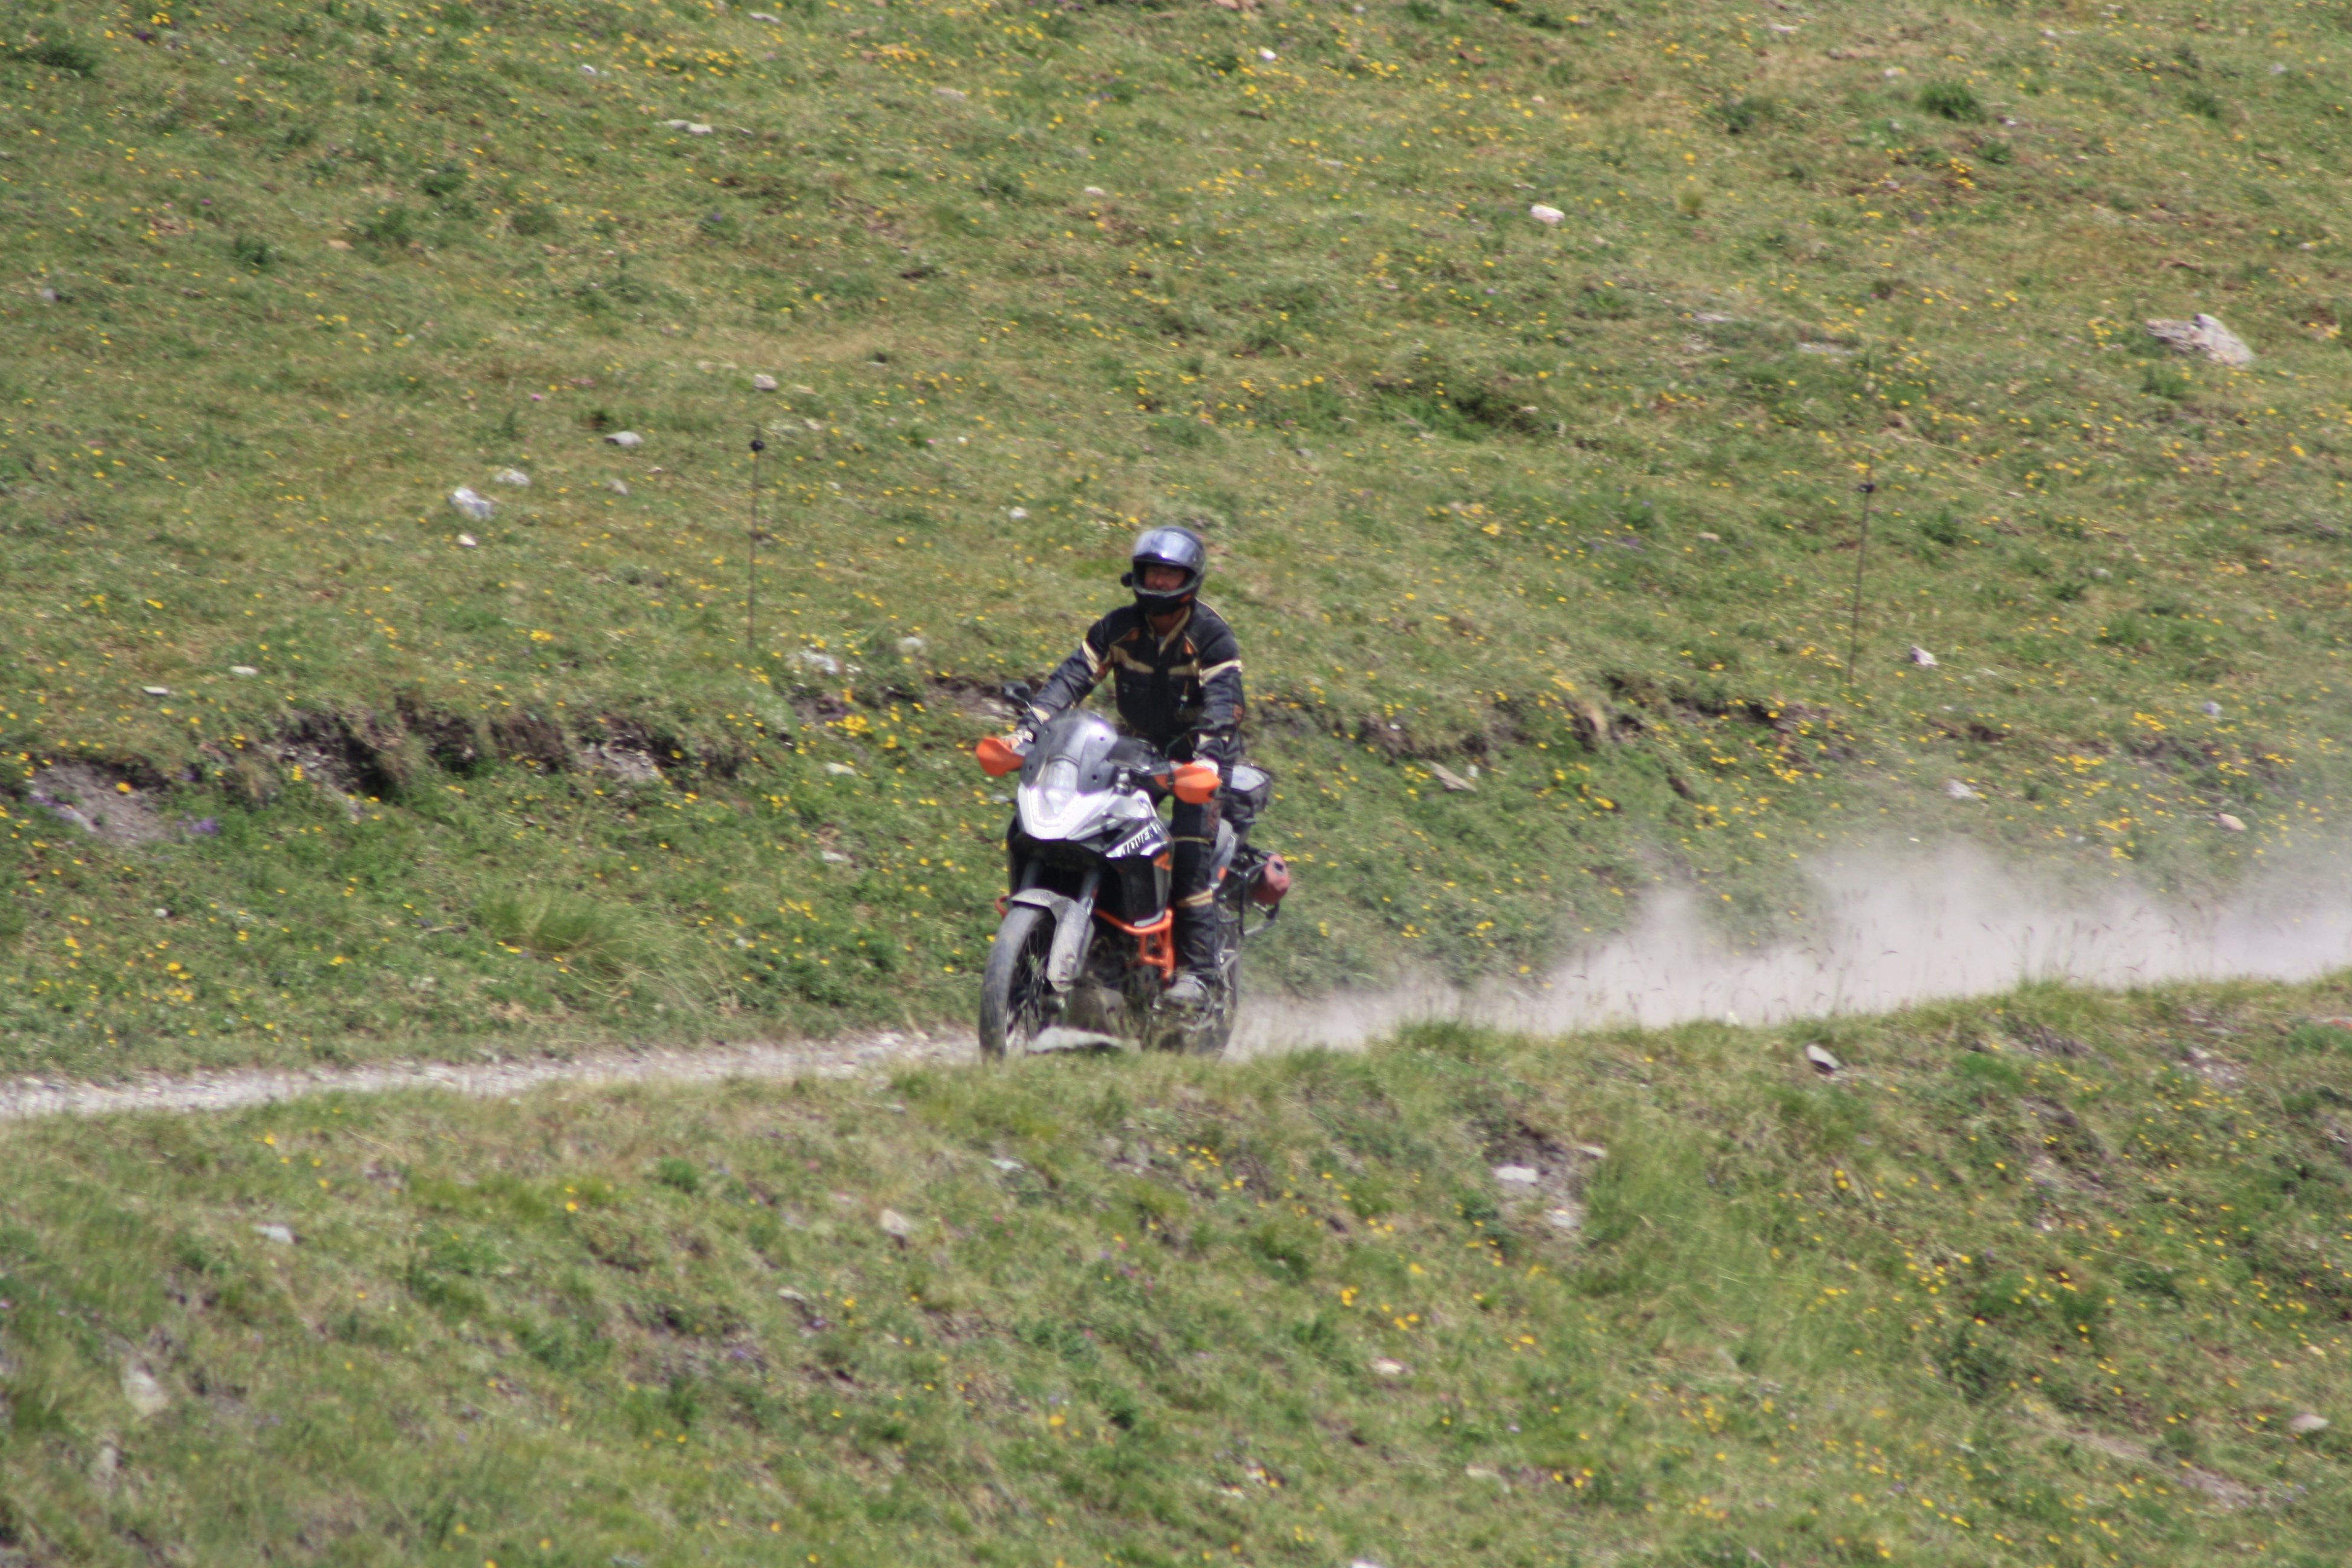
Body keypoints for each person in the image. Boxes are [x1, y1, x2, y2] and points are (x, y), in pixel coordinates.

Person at [1029, 526, 1244, 1007]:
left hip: (1199, 760)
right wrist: (1029, 728)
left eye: (1171, 575)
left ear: (1190, 580)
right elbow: (1072, 678)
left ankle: (1200, 973)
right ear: (1137, 575)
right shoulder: (1118, 627)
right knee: (1093, 829)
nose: (1160, 582)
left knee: (1188, 851)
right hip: (1137, 753)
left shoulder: (1211, 636)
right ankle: (1102, 941)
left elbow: (1225, 704)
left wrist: (1209, 760)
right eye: (1152, 572)